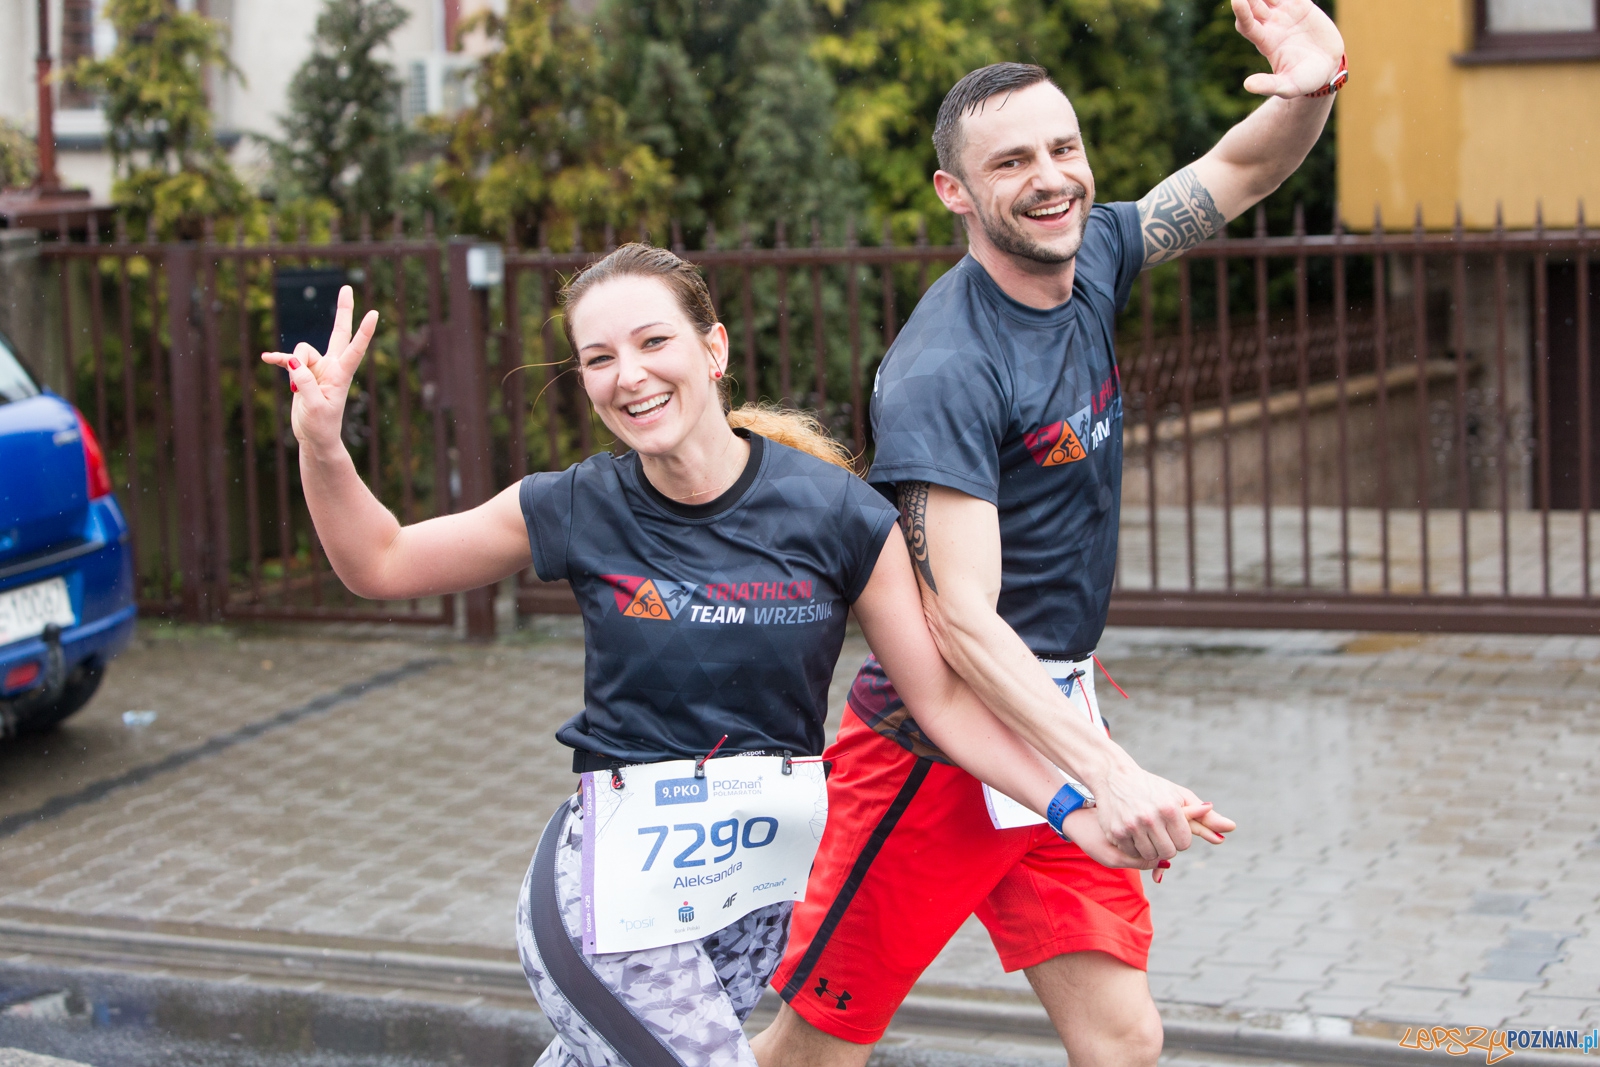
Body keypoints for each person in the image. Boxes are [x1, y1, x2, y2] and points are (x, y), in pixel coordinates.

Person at [261, 246, 1218, 1067]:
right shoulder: (576, 504)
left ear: (712, 350)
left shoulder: (841, 516)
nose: (627, 375)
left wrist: (1073, 806)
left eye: (652, 342)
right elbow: (379, 561)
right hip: (605, 899)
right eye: (598, 358)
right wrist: (321, 445)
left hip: (744, 909)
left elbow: (943, 704)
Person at [759, 2, 1344, 1065]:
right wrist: (1102, 776)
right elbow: (964, 621)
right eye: (1013, 160)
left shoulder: (1097, 258)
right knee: (815, 1047)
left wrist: (1310, 89)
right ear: (955, 191)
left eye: (1063, 148)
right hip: (932, 752)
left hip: (1054, 717)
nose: (1050, 176)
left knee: (1123, 1037)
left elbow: (1241, 171)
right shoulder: (946, 368)